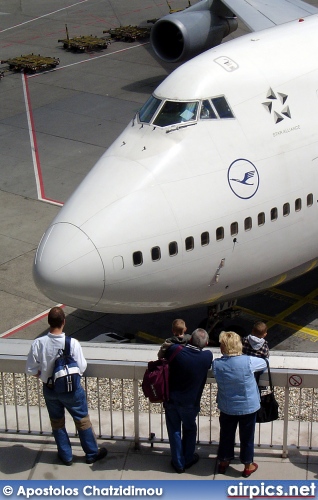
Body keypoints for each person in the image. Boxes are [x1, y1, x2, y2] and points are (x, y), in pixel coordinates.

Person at [25, 306, 107, 466]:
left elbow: (30, 369)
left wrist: (43, 376)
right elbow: (81, 367)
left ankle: (66, 455)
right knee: (82, 421)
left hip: (50, 389)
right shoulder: (72, 343)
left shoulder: (38, 343)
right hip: (71, 390)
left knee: (57, 423)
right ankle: (91, 453)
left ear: (49, 322)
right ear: (64, 322)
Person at [212, 331, 266, 477]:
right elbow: (264, 363)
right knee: (247, 437)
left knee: (226, 435)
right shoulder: (249, 361)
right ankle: (248, 465)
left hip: (227, 406)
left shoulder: (217, 364)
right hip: (248, 407)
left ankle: (223, 461)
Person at [163, 328, 212, 473]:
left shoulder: (174, 351)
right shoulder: (207, 356)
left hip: (171, 399)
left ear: (190, 339)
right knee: (190, 429)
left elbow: (164, 349)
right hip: (190, 403)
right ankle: (188, 457)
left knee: (174, 431)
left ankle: (178, 463)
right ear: (206, 344)